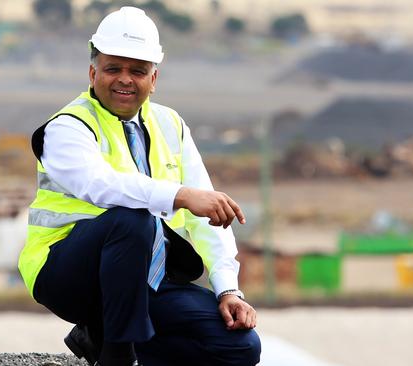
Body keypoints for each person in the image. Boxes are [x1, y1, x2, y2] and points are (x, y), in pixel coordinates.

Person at [19, 6, 260, 366]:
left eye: (137, 71)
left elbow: (207, 216)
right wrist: (179, 196)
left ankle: (103, 339)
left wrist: (228, 288)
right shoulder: (67, 126)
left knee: (241, 347)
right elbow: (98, 185)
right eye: (113, 68)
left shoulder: (170, 124)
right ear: (92, 72)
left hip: (145, 281)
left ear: (154, 78)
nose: (124, 80)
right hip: (67, 273)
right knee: (132, 220)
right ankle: (117, 355)